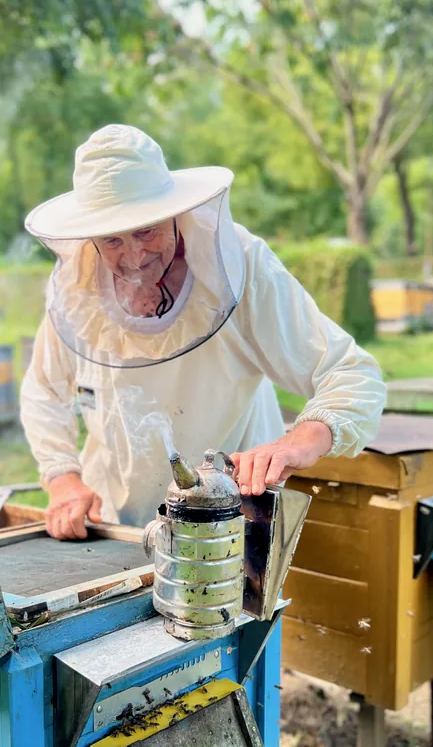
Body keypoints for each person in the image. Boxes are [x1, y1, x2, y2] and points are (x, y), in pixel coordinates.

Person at [21, 124, 386, 539]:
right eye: (113, 241)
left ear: (174, 212)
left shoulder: (240, 264)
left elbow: (352, 374)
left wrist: (296, 443)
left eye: (145, 230)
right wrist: (62, 478)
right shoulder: (78, 284)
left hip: (231, 520)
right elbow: (44, 392)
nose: (135, 257)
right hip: (111, 528)